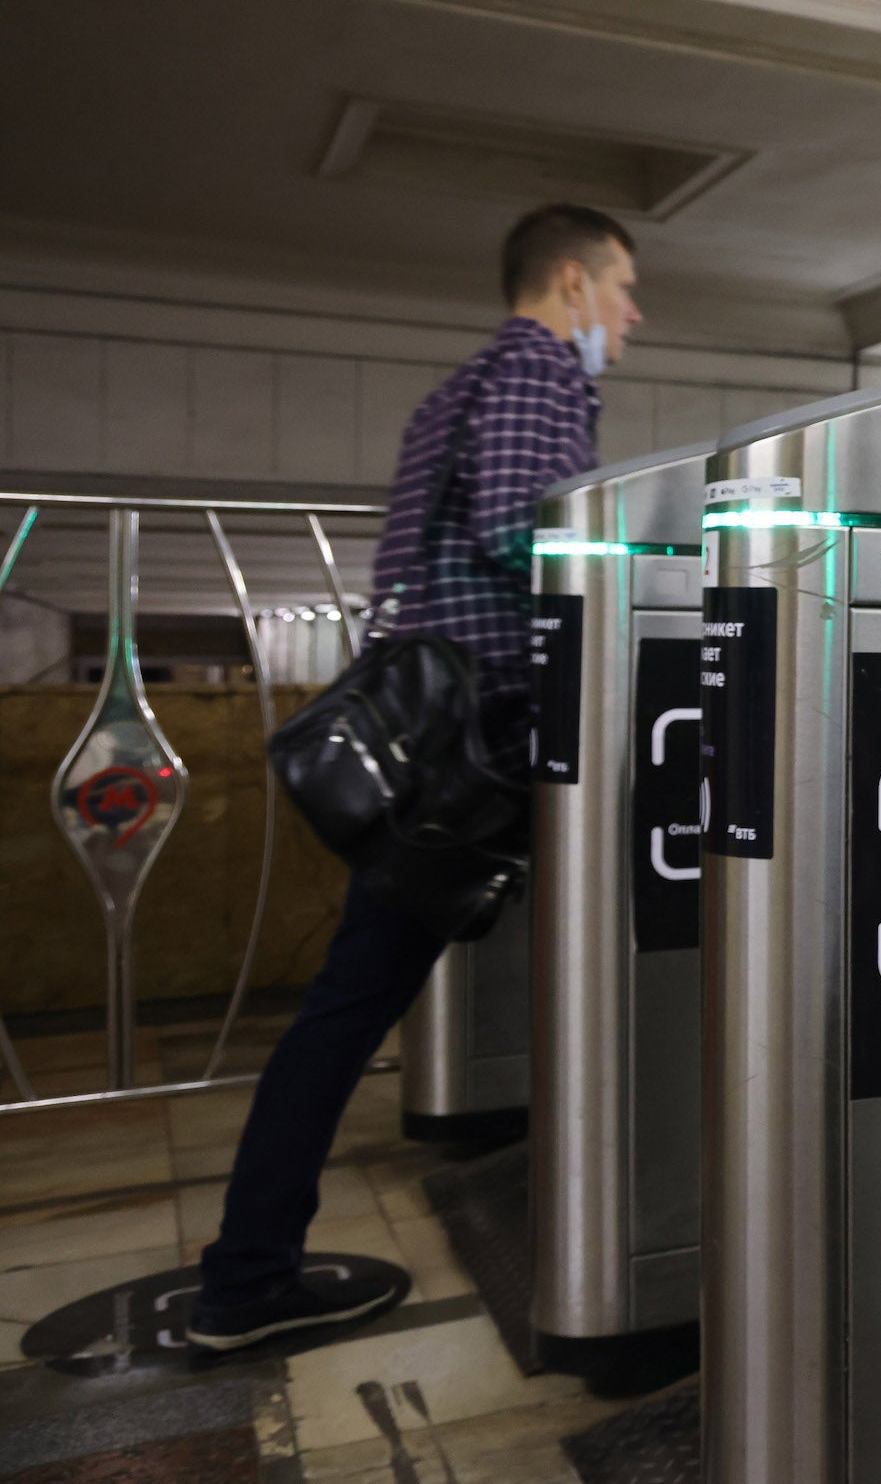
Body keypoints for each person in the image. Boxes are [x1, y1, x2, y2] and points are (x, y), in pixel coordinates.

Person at [188, 205, 640, 1352]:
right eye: (624, 292)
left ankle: (258, 1263)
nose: (632, 320)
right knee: (353, 1001)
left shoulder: (455, 392)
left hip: (429, 736)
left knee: (358, 995)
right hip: (482, 740)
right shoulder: (541, 371)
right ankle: (245, 1279)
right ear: (574, 284)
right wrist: (646, 566)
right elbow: (523, 533)